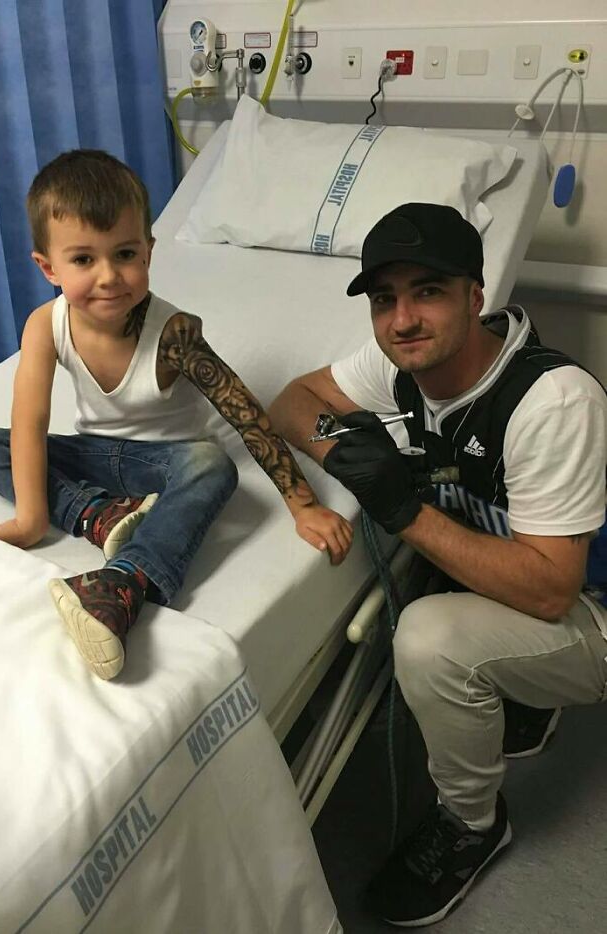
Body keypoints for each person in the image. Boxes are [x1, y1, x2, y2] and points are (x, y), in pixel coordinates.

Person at [268, 202, 607, 926]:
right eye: (385, 300)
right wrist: (342, 448)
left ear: (475, 297)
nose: (403, 319)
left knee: (426, 636)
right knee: (452, 553)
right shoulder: (401, 367)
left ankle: (472, 826)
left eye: (428, 291)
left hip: (591, 609)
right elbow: (291, 402)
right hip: (539, 584)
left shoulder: (551, 401)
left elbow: (551, 592)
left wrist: (403, 508)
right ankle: (525, 695)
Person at [0, 149, 352, 680]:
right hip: (101, 457)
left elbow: (245, 415)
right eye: (84, 260)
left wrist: (305, 506)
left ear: (149, 251)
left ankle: (122, 579)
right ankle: (100, 516)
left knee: (213, 465)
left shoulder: (174, 333)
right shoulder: (44, 324)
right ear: (48, 267)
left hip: (168, 464)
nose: (109, 277)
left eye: (125, 254)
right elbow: (29, 422)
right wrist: (31, 520)